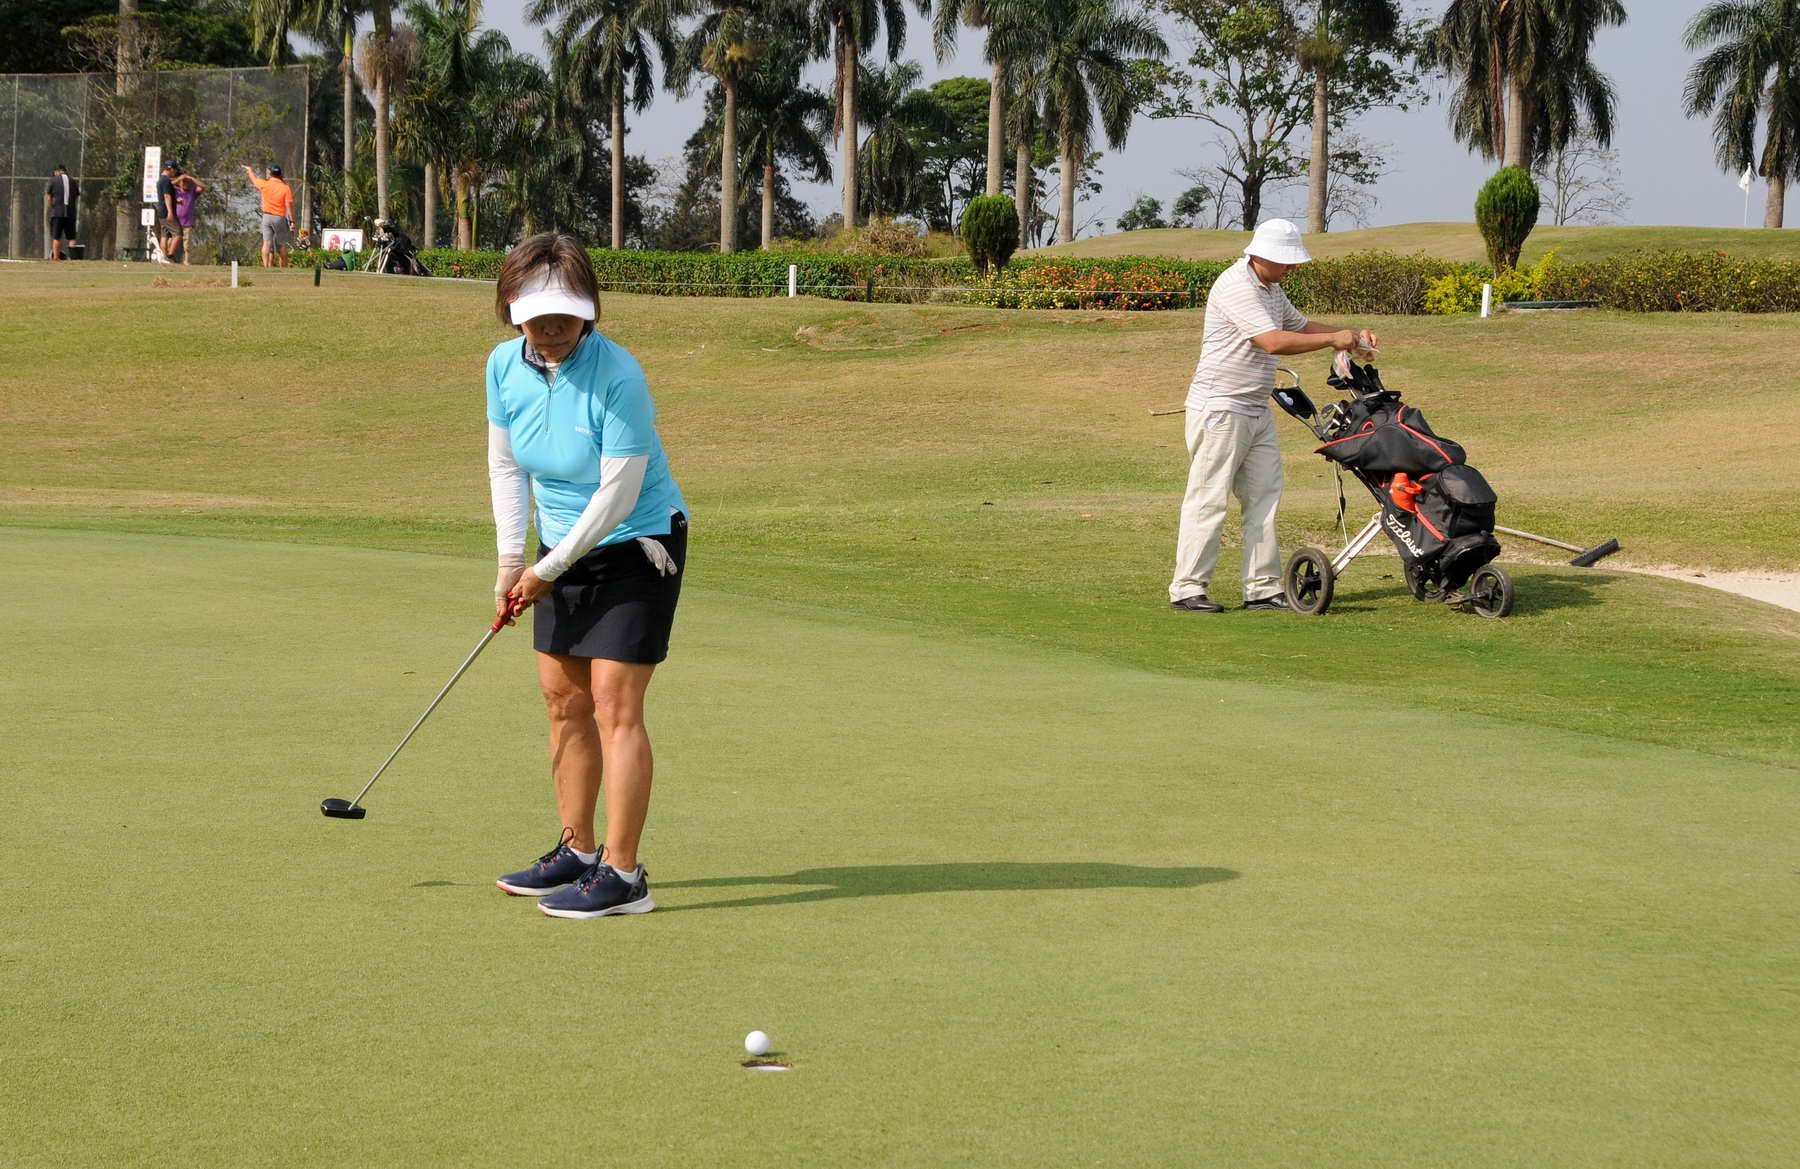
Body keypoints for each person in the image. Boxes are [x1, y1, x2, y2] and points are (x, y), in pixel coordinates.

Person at [486, 233, 689, 920]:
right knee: (562, 700)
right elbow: (507, 466)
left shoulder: (619, 375)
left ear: (590, 311)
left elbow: (617, 496)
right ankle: (576, 851)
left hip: (636, 544)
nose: (552, 329)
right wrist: (511, 562)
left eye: (565, 316)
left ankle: (624, 873)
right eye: (537, 317)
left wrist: (545, 569)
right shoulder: (502, 366)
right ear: (511, 311)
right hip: (557, 549)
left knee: (613, 705)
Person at [1168, 219, 1381, 613]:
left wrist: (1349, 335)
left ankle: (1262, 589)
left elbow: (1299, 326)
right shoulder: (1236, 285)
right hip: (1220, 407)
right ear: (1260, 255)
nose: (1292, 267)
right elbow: (1272, 341)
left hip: (1255, 406)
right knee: (1209, 499)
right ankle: (1187, 588)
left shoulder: (1271, 288)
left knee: (1264, 497)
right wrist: (1334, 339)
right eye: (1286, 260)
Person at [240, 163, 294, 267]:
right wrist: (292, 221)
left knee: (266, 243)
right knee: (282, 244)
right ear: (280, 174)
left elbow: (254, 180)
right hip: (279, 218)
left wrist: (250, 170)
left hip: (267, 217)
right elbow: (288, 206)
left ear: (270, 174)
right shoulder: (285, 187)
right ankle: (284, 268)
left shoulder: (265, 184)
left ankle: (266, 267)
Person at [44, 164, 79, 261]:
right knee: (71, 237)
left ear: (57, 171)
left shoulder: (53, 180)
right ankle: (73, 258)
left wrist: (52, 206)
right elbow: (76, 195)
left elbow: (49, 197)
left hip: (58, 212)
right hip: (71, 213)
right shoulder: (73, 181)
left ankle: (56, 257)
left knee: (56, 236)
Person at [173, 171, 207, 265]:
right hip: (175, 222)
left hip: (187, 222)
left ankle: (186, 260)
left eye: (187, 182)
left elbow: (203, 186)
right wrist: (179, 178)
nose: (185, 183)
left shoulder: (192, 192)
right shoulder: (175, 191)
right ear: (179, 183)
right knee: (172, 240)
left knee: (187, 243)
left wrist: (191, 178)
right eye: (183, 182)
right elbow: (167, 185)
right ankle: (168, 257)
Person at [156, 161, 181, 260]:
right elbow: (166, 196)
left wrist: (176, 201)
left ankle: (163, 256)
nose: (175, 173)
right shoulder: (166, 180)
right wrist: (170, 212)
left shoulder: (160, 180)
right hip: (167, 212)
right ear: (171, 169)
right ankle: (169, 256)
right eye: (175, 170)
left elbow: (164, 197)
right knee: (178, 233)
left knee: (165, 235)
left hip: (161, 211)